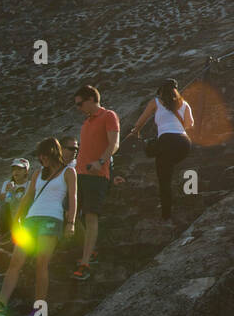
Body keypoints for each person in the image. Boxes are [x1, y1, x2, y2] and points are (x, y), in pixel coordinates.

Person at [0, 139, 76, 316]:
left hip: (52, 219)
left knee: (41, 263)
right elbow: (27, 198)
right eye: (40, 156)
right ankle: (0, 304)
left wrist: (71, 223)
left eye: (44, 155)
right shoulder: (38, 173)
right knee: (15, 262)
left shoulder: (68, 172)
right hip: (31, 219)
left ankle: (40, 310)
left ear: (53, 152)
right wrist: (16, 222)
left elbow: (73, 198)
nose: (42, 159)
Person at [128, 79, 194, 220]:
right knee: (172, 165)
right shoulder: (185, 104)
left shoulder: (156, 102)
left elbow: (141, 121)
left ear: (160, 92)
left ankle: (166, 215)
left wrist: (135, 132)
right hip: (184, 142)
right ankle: (188, 192)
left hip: (166, 141)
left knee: (164, 180)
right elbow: (189, 124)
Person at [71, 85, 118, 281]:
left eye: (80, 104)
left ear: (92, 99)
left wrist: (100, 162)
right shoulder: (86, 123)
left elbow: (114, 143)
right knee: (72, 214)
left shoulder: (108, 116)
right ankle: (90, 252)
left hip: (96, 175)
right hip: (80, 175)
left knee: (90, 216)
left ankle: (85, 263)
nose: (79, 108)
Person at [0, 158, 29, 243]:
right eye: (14, 169)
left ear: (26, 171)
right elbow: (5, 201)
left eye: (19, 169)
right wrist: (9, 191)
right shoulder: (7, 183)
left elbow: (28, 200)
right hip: (10, 211)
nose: (15, 172)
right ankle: (1, 231)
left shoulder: (30, 183)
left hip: (24, 210)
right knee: (3, 202)